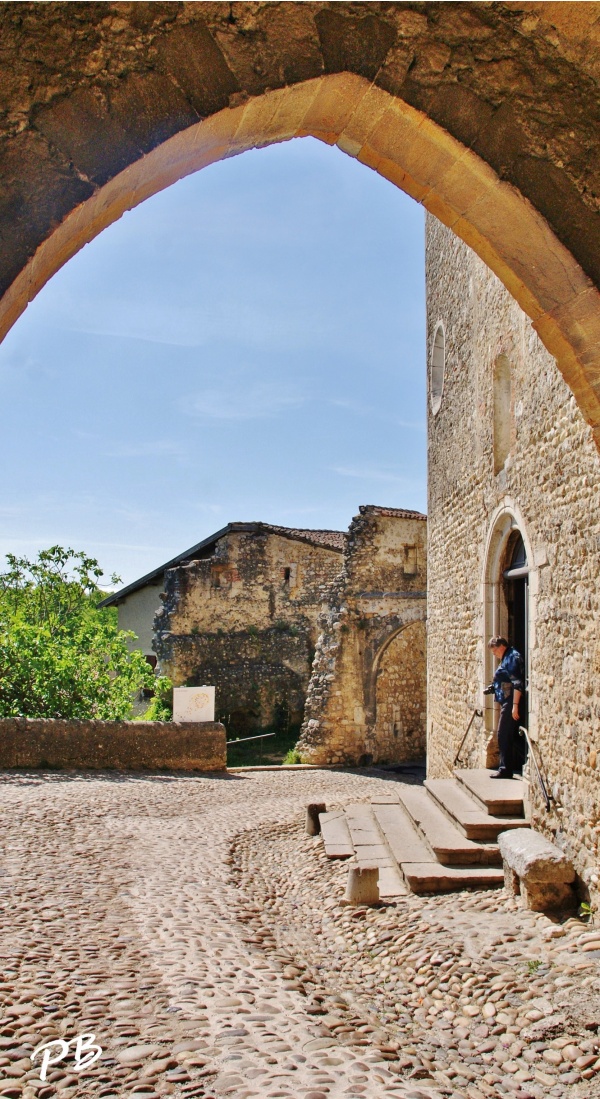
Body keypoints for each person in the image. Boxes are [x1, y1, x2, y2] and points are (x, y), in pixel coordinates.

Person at [485, 636, 525, 779]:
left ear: (500, 646)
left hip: (510, 702)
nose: (494, 655)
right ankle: (521, 761)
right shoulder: (507, 656)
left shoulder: (512, 657)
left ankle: (505, 768)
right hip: (507, 701)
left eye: (494, 651)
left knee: (503, 733)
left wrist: (514, 705)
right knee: (511, 735)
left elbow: (517, 683)